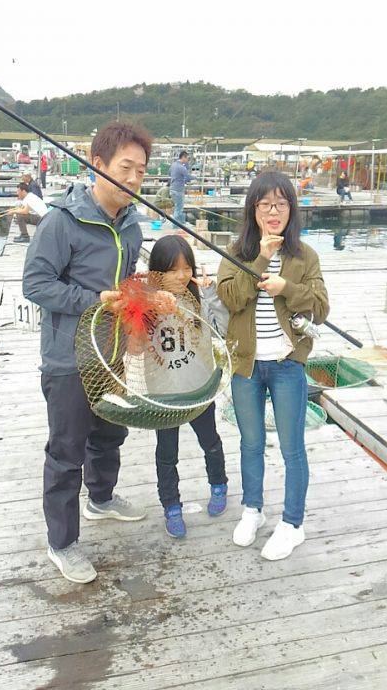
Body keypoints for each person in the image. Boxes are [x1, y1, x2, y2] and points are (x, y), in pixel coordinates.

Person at [22, 122, 152, 584]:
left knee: (109, 435)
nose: (135, 179)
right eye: (125, 168)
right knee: (65, 452)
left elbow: (129, 281)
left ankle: (102, 497)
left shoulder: (133, 226)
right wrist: (92, 300)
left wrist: (151, 295)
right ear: (98, 166)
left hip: (112, 355)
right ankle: (62, 542)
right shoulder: (62, 220)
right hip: (67, 360)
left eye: (141, 170)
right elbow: (36, 284)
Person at [217, 172, 329, 561]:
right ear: (253, 209)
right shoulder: (236, 251)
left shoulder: (305, 256)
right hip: (246, 365)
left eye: (282, 203)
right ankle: (253, 510)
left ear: (291, 209)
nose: (273, 211)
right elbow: (231, 298)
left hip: (286, 364)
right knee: (250, 443)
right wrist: (263, 257)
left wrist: (288, 289)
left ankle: (293, 523)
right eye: (265, 204)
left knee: (292, 447)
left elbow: (320, 306)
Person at [148, 235, 229, 538]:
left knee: (210, 441)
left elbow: (220, 328)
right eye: (171, 270)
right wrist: (146, 309)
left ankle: (219, 485)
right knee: (166, 453)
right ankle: (171, 506)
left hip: (199, 389)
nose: (180, 276)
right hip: (164, 395)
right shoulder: (147, 303)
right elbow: (133, 346)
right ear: (157, 272)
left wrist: (209, 296)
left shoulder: (198, 298)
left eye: (186, 268)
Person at [169, 150, 191, 224]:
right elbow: (188, 177)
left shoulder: (173, 165)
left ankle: (181, 223)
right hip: (178, 190)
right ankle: (175, 225)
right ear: (183, 157)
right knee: (178, 209)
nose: (188, 160)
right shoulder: (181, 167)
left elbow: (170, 174)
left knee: (177, 207)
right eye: (187, 158)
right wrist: (196, 178)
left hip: (172, 189)